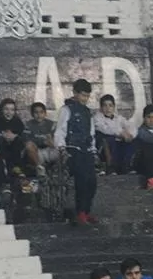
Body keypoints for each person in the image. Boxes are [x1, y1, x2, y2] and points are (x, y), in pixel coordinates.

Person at [54, 79, 98, 226]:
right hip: (72, 150)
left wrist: (93, 150)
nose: (85, 99)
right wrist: (61, 148)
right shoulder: (66, 110)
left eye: (87, 96)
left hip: (87, 151)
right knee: (82, 180)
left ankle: (86, 211)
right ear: (75, 93)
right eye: (82, 95)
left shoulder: (88, 113)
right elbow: (60, 131)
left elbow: (91, 133)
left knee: (92, 182)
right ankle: (80, 213)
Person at [93, 95, 136, 175]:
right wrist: (121, 133)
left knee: (132, 141)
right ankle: (111, 168)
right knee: (110, 138)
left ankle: (125, 167)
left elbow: (131, 126)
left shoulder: (118, 118)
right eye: (105, 105)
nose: (108, 108)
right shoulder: (97, 118)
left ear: (114, 107)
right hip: (104, 147)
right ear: (101, 107)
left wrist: (130, 135)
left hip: (118, 145)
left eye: (110, 105)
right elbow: (106, 129)